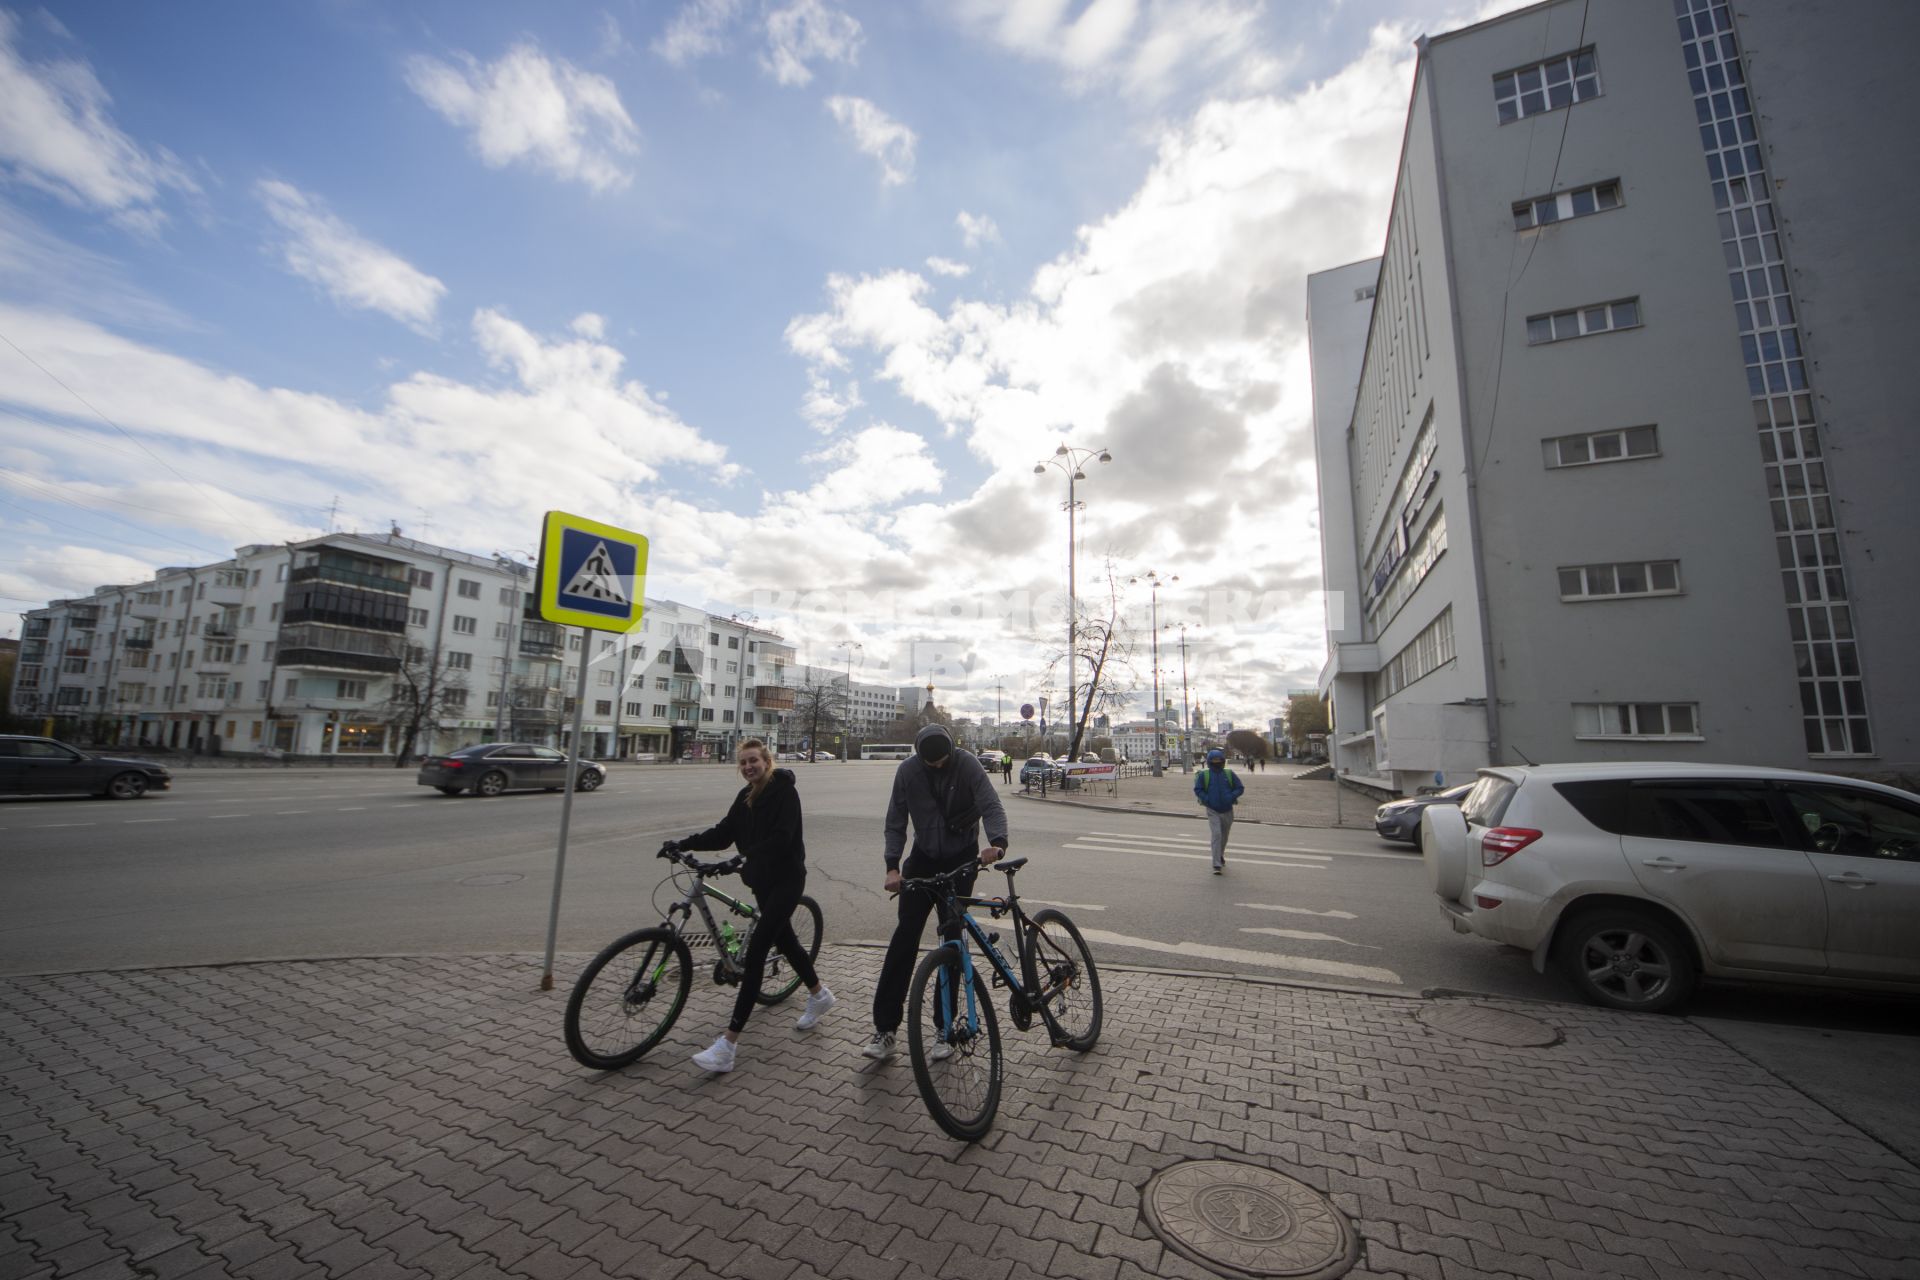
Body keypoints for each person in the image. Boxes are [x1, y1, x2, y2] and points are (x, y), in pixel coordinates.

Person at [667, 738, 835, 1073]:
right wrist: (682, 844)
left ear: (767, 760)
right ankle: (819, 995)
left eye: (753, 761)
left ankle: (727, 1046)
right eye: (743, 763)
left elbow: (782, 838)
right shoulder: (744, 797)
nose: (748, 767)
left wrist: (740, 858)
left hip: (787, 880)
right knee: (786, 941)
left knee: (757, 952)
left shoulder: (784, 791)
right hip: (760, 881)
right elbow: (723, 832)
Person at [866, 724, 1009, 1060]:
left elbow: (991, 804)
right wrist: (892, 866)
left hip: (961, 861)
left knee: (952, 940)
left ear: (951, 751)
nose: (938, 767)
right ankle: (885, 1030)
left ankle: (944, 1029)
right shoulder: (908, 772)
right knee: (904, 939)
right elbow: (896, 820)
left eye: (943, 761)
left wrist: (997, 844)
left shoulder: (968, 764)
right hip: (923, 860)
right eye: (931, 764)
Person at [1193, 747, 1244, 875]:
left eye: (1219, 760)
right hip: (1212, 809)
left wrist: (1231, 797)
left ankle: (1220, 854)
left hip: (1227, 809)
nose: (1216, 762)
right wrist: (1207, 799)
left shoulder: (1228, 773)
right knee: (1216, 835)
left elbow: (1240, 787)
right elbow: (1198, 790)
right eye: (1214, 760)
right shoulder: (1204, 775)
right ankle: (1216, 864)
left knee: (1224, 836)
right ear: (1210, 761)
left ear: (1222, 761)